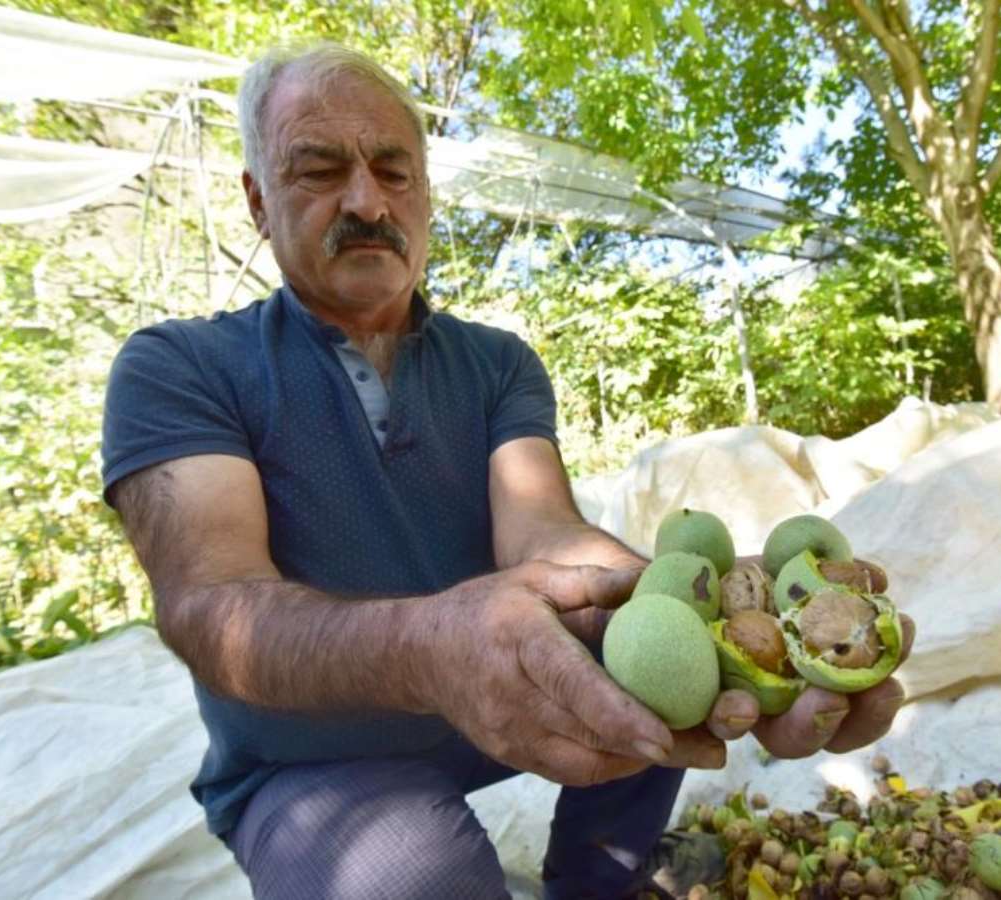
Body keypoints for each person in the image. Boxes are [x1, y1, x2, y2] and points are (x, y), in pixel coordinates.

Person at [101, 43, 914, 900]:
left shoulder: (495, 364)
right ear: (258, 200)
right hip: (310, 761)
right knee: (418, 878)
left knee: (646, 668)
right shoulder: (181, 366)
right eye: (319, 170)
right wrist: (428, 649)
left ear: (425, 195)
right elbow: (212, 606)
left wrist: (678, 597)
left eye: (394, 170)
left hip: (498, 693)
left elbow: (540, 530)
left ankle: (596, 884)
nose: (367, 200)